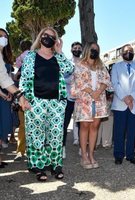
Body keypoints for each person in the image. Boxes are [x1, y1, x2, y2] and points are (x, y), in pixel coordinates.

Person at [19, 27, 74, 181]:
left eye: (52, 36)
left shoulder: (58, 57)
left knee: (56, 135)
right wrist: (23, 97)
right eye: (45, 35)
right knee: (36, 135)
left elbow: (70, 69)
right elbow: (23, 78)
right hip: (35, 102)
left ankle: (56, 166)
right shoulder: (30, 56)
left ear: (55, 40)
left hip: (56, 103)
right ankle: (39, 167)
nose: (48, 37)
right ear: (40, 37)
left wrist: (60, 51)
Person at [72, 42, 110, 169]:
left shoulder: (101, 65)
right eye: (93, 49)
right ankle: (84, 156)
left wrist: (98, 92)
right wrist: (92, 92)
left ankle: (91, 154)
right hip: (84, 100)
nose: (95, 51)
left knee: (95, 126)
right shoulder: (79, 65)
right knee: (84, 126)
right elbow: (78, 81)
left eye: (97, 49)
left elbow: (106, 80)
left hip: (99, 100)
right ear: (88, 50)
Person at [111, 44, 135, 165]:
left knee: (132, 131)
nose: (128, 53)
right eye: (126, 51)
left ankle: (130, 155)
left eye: (131, 51)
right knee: (119, 131)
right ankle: (118, 155)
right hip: (120, 103)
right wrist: (125, 98)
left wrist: (132, 97)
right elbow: (115, 83)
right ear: (122, 54)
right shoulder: (116, 67)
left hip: (134, 103)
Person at [0, 28, 30, 168]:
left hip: (6, 94)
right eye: (0, 36)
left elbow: (4, 79)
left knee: (4, 126)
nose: (3, 39)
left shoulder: (1, 57)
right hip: (3, 94)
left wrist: (19, 95)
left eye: (5, 37)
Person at [62, 41, 82, 159]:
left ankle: (81, 147)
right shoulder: (67, 63)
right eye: (75, 48)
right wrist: (73, 77)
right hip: (68, 97)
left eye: (79, 48)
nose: (77, 49)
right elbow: (63, 78)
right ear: (71, 50)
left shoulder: (84, 63)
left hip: (80, 99)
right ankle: (62, 147)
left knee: (81, 124)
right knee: (64, 123)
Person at [14, 40, 32, 161]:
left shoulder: (19, 59)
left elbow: (15, 77)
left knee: (23, 125)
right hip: (31, 97)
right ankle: (27, 152)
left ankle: (21, 151)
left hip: (23, 96)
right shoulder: (35, 56)